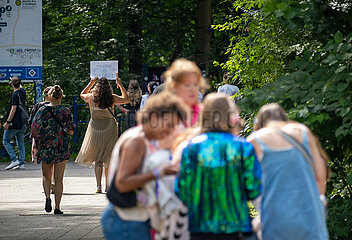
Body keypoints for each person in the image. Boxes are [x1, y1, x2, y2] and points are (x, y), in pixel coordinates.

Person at [101, 92, 188, 240]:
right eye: (169, 125)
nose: (170, 131)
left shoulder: (144, 137)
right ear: (155, 117)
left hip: (132, 218)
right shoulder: (137, 140)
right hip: (126, 221)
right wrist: (159, 172)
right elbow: (122, 184)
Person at [176, 93, 262, 240]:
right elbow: (254, 188)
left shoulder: (190, 148)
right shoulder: (243, 147)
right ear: (231, 115)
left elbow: (182, 190)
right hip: (236, 226)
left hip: (200, 227)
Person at [247, 103, 329, 240]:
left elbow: (248, 186)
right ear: (284, 118)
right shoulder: (302, 131)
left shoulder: (254, 140)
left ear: (260, 123)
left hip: (276, 222)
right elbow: (320, 177)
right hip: (310, 217)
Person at [75, 73, 129, 193]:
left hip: (95, 127)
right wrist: (120, 85)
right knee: (108, 157)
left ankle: (98, 186)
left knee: (98, 159)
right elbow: (127, 99)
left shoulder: (91, 97)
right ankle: (108, 186)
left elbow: (81, 94)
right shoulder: (112, 97)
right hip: (110, 126)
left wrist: (90, 83)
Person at [31, 85, 75, 214]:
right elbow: (71, 131)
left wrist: (38, 142)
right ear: (61, 96)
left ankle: (47, 197)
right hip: (61, 147)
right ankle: (57, 207)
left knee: (46, 176)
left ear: (49, 96)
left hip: (45, 146)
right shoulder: (65, 111)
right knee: (59, 179)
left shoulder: (42, 110)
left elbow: (34, 128)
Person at [164, 58, 207, 127]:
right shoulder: (162, 113)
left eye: (196, 84)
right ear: (174, 86)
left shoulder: (205, 113)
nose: (193, 89)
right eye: (187, 85)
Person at [3, 76, 27, 170]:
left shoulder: (14, 95)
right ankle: (21, 164)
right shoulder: (22, 92)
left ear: (12, 84)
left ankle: (14, 160)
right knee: (20, 143)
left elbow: (13, 109)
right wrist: (14, 80)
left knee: (5, 140)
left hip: (14, 123)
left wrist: (8, 122)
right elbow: (19, 85)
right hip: (22, 122)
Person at [28, 86, 52, 163]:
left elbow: (31, 119)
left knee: (35, 143)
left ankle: (34, 158)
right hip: (50, 131)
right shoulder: (56, 107)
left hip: (38, 130)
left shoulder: (38, 105)